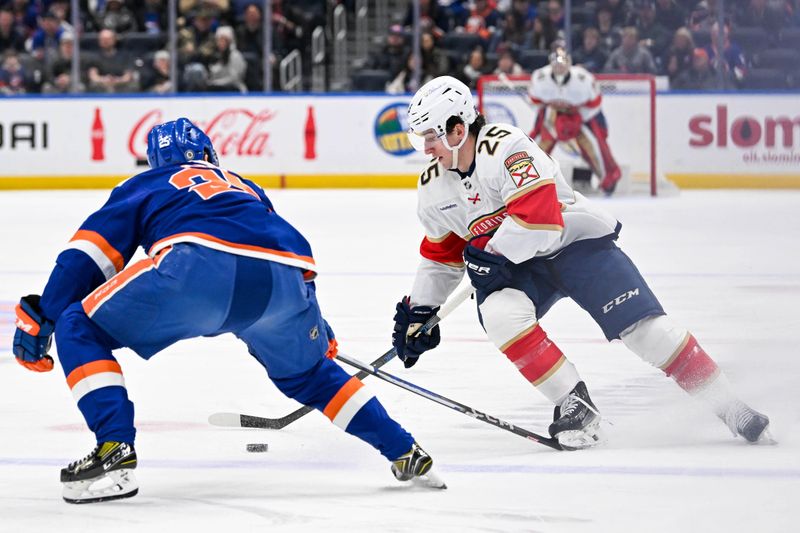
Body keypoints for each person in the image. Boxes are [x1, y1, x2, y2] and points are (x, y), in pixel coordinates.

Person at [12, 118, 444, 504]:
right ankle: (406, 451)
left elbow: (89, 255)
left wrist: (46, 314)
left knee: (78, 325)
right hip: (286, 283)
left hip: (198, 270)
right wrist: (317, 326)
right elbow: (274, 248)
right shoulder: (243, 185)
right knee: (310, 375)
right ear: (208, 155)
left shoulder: (145, 184)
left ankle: (114, 448)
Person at [393, 75, 772, 451]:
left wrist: (492, 254)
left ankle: (730, 407)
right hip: (522, 270)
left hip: (574, 244)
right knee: (498, 313)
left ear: (457, 130)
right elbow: (441, 257)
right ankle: (575, 403)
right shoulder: (433, 187)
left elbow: (540, 219)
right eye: (420, 139)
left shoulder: (507, 147)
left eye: (430, 137)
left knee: (647, 332)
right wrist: (419, 311)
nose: (425, 149)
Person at [528, 47, 623, 194]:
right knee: (539, 145)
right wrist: (552, 111)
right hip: (552, 114)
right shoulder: (540, 78)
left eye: (563, 62)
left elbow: (595, 104)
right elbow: (535, 102)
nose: (560, 66)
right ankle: (530, 180)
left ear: (570, 63)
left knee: (594, 146)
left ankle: (608, 178)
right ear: (550, 64)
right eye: (556, 62)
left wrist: (576, 119)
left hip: (581, 115)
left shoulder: (583, 79)